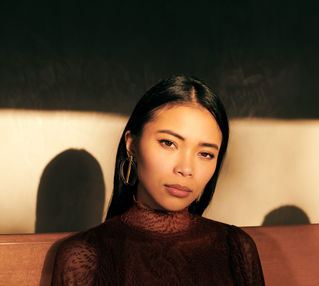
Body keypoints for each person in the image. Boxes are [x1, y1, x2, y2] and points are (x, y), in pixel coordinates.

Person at [51, 75, 265, 285]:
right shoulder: (84, 255)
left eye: (205, 154)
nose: (186, 169)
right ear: (131, 145)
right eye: (168, 143)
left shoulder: (236, 247)